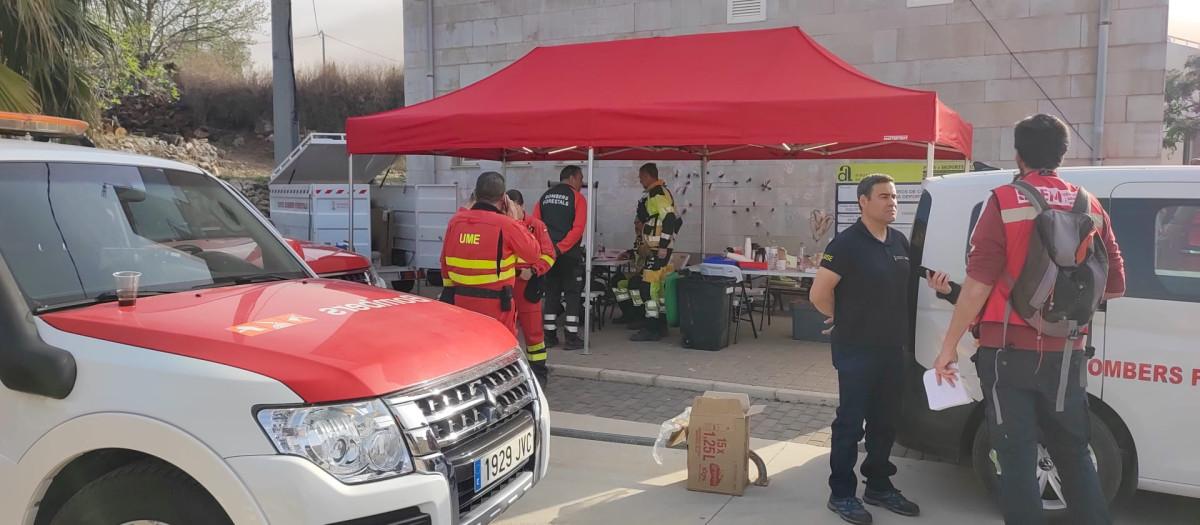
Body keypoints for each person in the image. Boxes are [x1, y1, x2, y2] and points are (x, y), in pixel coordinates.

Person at [932, 114, 1125, 525]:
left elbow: (978, 283)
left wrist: (947, 350)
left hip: (1008, 353)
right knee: (1074, 453)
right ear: (1062, 153)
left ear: (1017, 155)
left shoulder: (1004, 200)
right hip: (1068, 355)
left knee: (1016, 459)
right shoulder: (1089, 204)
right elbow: (1114, 286)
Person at [809, 173, 920, 525]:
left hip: (892, 348)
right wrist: (841, 318)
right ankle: (841, 493)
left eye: (895, 197)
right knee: (850, 423)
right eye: (884, 196)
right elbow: (818, 294)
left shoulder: (899, 242)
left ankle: (878, 484)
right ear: (863, 202)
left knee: (885, 422)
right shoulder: (845, 244)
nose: (892, 203)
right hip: (856, 349)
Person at [439, 172, 542, 337]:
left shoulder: (455, 221)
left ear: (475, 195)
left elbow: (444, 262)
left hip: (460, 304)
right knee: (498, 353)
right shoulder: (507, 225)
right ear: (504, 199)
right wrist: (517, 221)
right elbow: (534, 254)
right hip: (496, 309)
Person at [506, 189, 556, 390]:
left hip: (527, 285)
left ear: (522, 206)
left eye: (513, 208)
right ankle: (512, 374)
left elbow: (549, 255)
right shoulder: (504, 224)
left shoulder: (536, 226)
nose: (509, 212)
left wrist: (534, 269)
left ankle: (538, 374)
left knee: (533, 334)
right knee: (507, 332)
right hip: (506, 285)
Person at [534, 165, 588, 350]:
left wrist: (547, 249)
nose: (582, 183)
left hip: (548, 255)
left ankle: (549, 336)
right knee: (572, 294)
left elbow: (535, 225)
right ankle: (571, 338)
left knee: (551, 293)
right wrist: (560, 248)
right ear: (572, 178)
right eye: (580, 178)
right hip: (568, 255)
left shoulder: (545, 197)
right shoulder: (577, 198)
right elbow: (578, 229)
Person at [629, 163, 682, 342]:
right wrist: (669, 242)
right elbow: (678, 221)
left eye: (641, 177)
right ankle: (660, 326)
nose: (640, 181)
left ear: (646, 175)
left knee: (647, 289)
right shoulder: (664, 192)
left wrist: (663, 244)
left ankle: (650, 328)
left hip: (658, 249)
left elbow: (669, 217)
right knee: (658, 290)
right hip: (660, 249)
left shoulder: (657, 193)